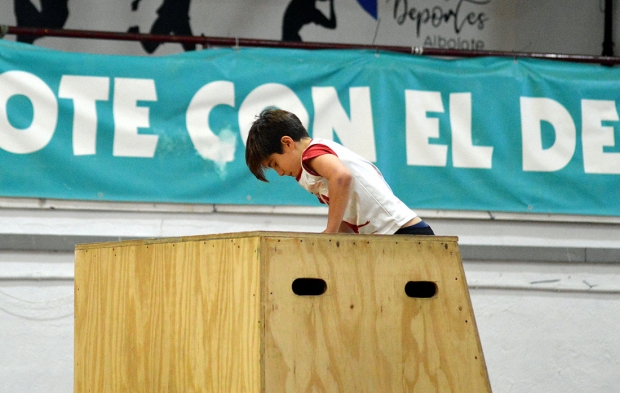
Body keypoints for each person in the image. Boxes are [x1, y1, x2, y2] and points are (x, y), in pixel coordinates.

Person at [245, 108, 434, 235]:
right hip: (392, 235)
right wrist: (338, 239)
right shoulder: (314, 162)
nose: (279, 173)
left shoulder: (312, 154)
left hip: (405, 234)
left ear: (287, 143)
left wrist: (330, 232)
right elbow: (347, 210)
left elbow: (342, 177)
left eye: (275, 164)